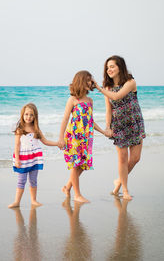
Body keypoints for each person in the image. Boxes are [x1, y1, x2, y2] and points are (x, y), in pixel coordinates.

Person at [93, 55, 146, 200]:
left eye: (112, 66)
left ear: (120, 67)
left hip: (135, 122)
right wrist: (108, 127)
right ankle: (125, 190)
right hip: (119, 125)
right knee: (122, 159)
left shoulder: (130, 82)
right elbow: (108, 109)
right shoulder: (107, 88)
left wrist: (98, 87)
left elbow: (117, 97)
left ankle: (118, 182)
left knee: (135, 158)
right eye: (107, 67)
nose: (109, 69)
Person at [58, 70, 109, 203]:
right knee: (76, 165)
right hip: (74, 137)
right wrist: (60, 138)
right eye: (87, 80)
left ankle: (67, 187)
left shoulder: (90, 100)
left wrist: (103, 131)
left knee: (82, 165)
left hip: (86, 138)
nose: (90, 82)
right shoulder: (73, 99)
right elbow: (65, 119)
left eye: (90, 80)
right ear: (80, 81)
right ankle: (77, 195)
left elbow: (90, 121)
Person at [8, 103, 58, 208]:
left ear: (35, 116)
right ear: (22, 115)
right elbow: (16, 146)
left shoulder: (36, 129)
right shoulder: (19, 129)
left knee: (33, 180)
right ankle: (17, 202)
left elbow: (45, 141)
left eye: (31, 115)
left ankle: (34, 200)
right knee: (21, 180)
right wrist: (17, 159)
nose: (28, 117)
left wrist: (57, 144)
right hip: (23, 159)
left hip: (35, 158)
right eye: (26, 114)